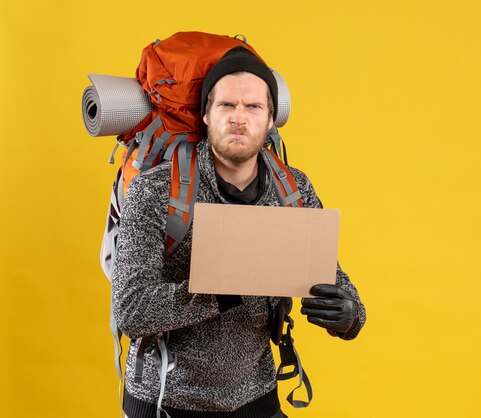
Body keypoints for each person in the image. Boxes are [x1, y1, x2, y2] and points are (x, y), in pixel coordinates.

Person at [112, 46, 366, 418]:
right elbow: (131, 311)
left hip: (255, 398)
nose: (238, 118)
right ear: (206, 114)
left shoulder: (292, 189)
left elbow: (330, 275)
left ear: (271, 120)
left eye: (253, 107)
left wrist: (350, 313)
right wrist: (223, 290)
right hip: (164, 401)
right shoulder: (155, 191)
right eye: (227, 105)